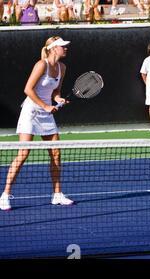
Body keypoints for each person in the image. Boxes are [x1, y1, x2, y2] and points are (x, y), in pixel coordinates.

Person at [0, 36, 75, 211]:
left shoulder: (62, 67)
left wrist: (58, 99)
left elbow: (55, 91)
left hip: (46, 113)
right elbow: (28, 89)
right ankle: (5, 194)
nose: (66, 48)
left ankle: (57, 194)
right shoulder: (41, 65)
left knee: (56, 153)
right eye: (62, 46)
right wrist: (45, 106)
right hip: (31, 111)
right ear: (53, 48)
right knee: (23, 153)